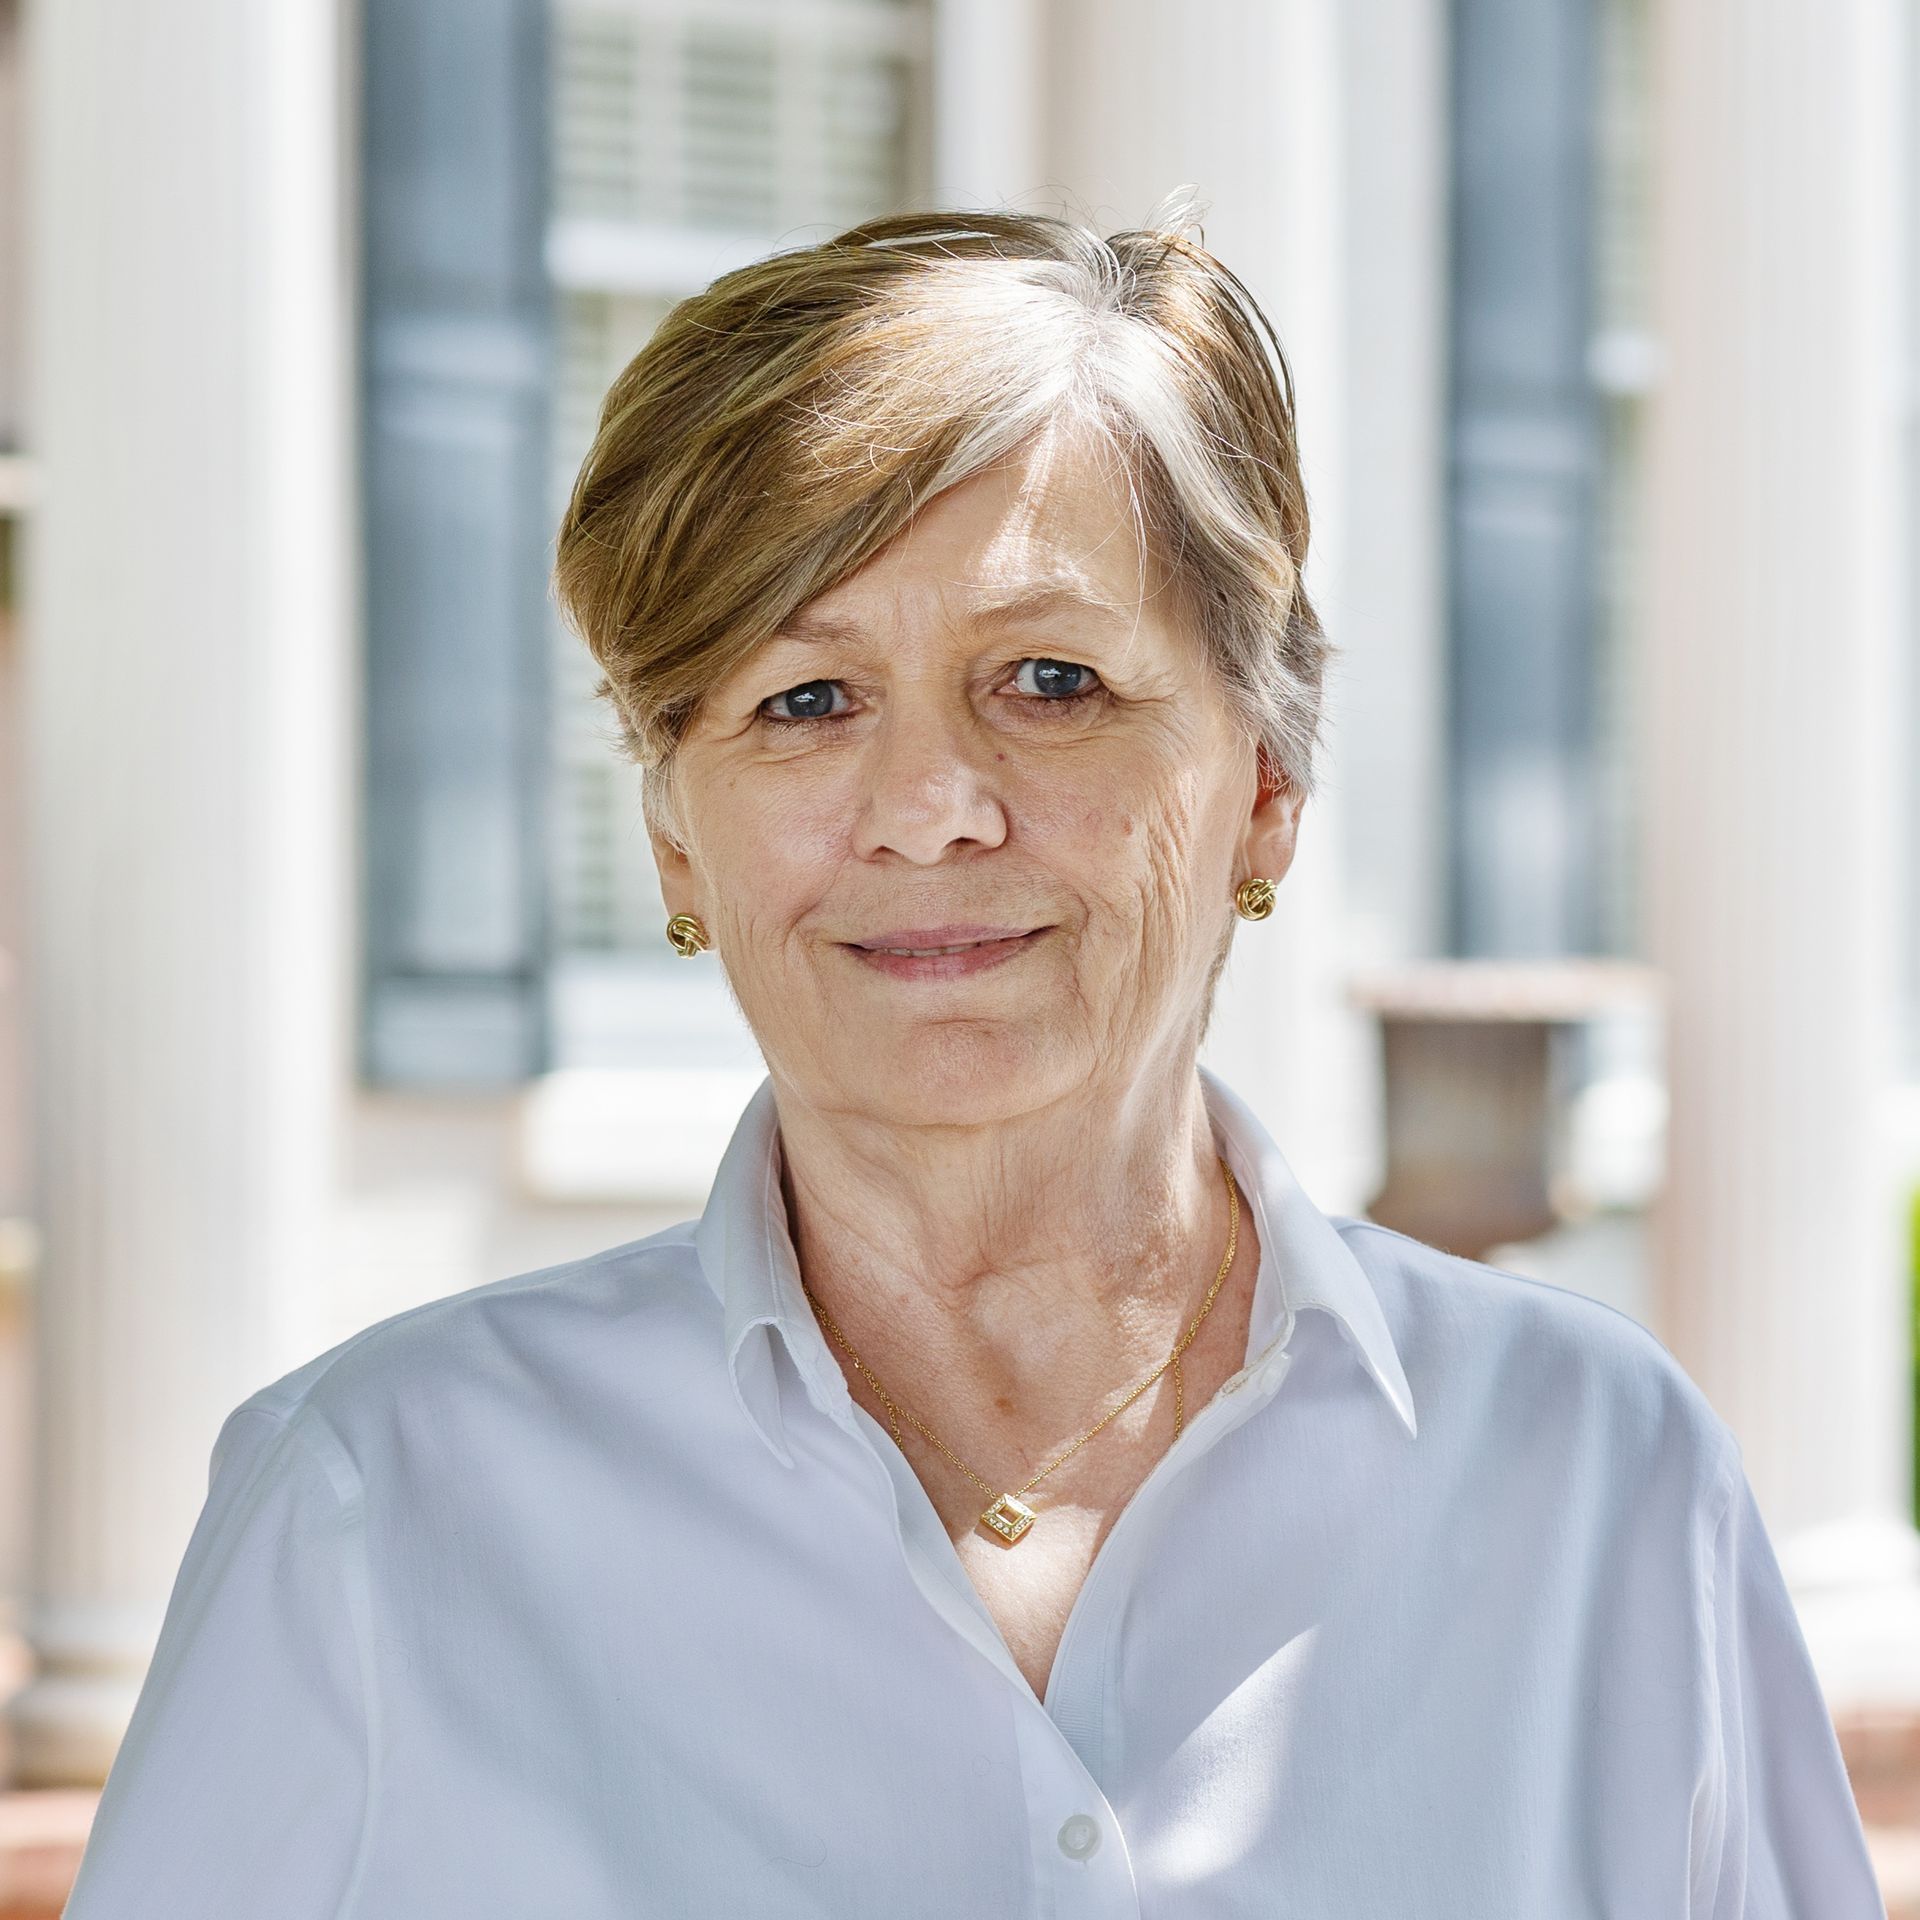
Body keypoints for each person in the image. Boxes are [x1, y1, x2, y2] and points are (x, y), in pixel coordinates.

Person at [61, 200, 1883, 1918]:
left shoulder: (1603, 1482)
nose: (932, 806)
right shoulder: (374, 1505)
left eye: (1052, 683)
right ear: (677, 840)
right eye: (805, 701)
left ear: (1266, 781)